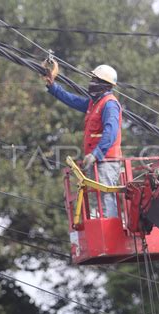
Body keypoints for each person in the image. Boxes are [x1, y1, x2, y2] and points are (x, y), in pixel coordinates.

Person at [44, 61, 122, 218]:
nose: (91, 84)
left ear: (105, 85)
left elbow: (111, 131)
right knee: (96, 201)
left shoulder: (110, 104)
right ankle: (100, 232)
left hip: (106, 161)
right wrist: (53, 88)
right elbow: (72, 100)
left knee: (105, 198)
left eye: (95, 81)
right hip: (96, 161)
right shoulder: (94, 104)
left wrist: (96, 154)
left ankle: (110, 234)